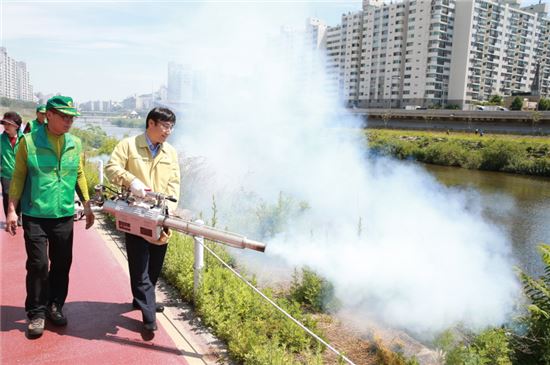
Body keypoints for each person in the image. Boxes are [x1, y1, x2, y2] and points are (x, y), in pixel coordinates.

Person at [5, 95, 95, 338]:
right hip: (35, 214)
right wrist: (12, 210)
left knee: (62, 263)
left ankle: (55, 305)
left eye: (72, 118)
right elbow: (19, 176)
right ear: (50, 115)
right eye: (64, 117)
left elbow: (79, 174)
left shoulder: (75, 143)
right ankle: (36, 312)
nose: (69, 122)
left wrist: (86, 204)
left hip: (64, 213)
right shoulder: (29, 142)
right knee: (38, 265)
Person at [105, 107, 180, 333]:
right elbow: (111, 168)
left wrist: (169, 210)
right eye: (165, 126)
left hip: (160, 217)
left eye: (171, 127)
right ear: (151, 124)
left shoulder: (171, 153)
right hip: (136, 215)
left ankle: (142, 299)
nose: (169, 131)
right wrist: (131, 181)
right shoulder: (128, 145)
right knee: (140, 266)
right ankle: (149, 316)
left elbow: (175, 184)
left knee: (155, 267)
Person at [0, 112, 24, 224]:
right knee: (7, 196)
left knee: (21, 196)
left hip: (22, 174)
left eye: (9, 124)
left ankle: (19, 217)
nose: (6, 126)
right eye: (4, 124)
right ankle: (10, 219)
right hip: (6, 174)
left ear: (17, 126)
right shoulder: (1, 139)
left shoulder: (24, 139)